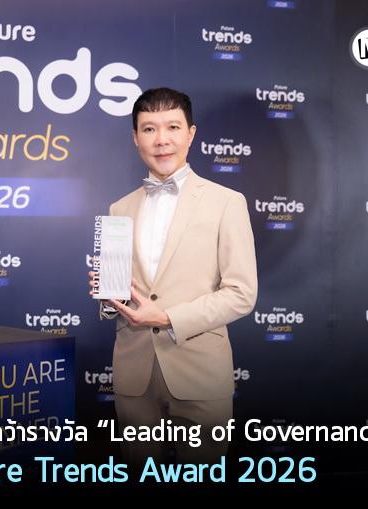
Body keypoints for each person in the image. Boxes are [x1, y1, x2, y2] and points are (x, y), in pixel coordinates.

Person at [88, 87, 257, 466]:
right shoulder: (119, 208)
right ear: (136, 138)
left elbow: (241, 294)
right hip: (134, 376)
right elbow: (122, 298)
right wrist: (109, 295)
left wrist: (167, 318)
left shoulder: (227, 202)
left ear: (191, 134)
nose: (161, 140)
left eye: (172, 127)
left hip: (199, 372)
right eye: (149, 129)